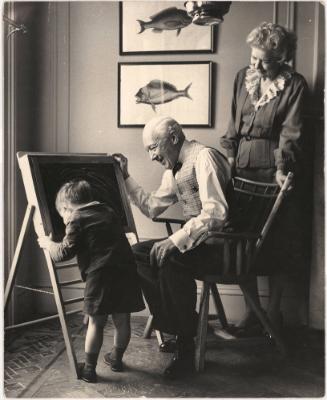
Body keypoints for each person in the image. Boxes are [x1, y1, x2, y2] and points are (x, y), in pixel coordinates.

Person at [113, 115, 233, 379]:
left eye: (153, 148)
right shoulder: (175, 166)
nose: (152, 156)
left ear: (174, 138)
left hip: (222, 247)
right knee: (138, 254)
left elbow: (216, 213)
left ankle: (185, 346)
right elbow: (153, 207)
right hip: (198, 245)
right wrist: (126, 176)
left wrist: (175, 240)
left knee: (171, 258)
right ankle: (177, 329)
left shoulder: (204, 158)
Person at [220, 22, 310, 336]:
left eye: (266, 60)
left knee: (277, 245)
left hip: (274, 173)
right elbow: (232, 125)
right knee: (241, 245)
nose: (257, 65)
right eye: (254, 57)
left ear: (283, 56)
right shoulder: (241, 78)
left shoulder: (295, 85)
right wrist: (230, 157)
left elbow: (291, 132)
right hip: (242, 171)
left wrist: (282, 168)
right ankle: (251, 312)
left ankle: (273, 314)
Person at [38, 180, 145, 383]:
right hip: (126, 272)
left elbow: (63, 253)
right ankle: (116, 359)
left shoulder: (76, 218)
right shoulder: (109, 211)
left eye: (62, 216)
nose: (64, 220)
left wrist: (48, 243)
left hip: (101, 276)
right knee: (122, 320)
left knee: (96, 323)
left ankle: (89, 370)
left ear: (65, 208)